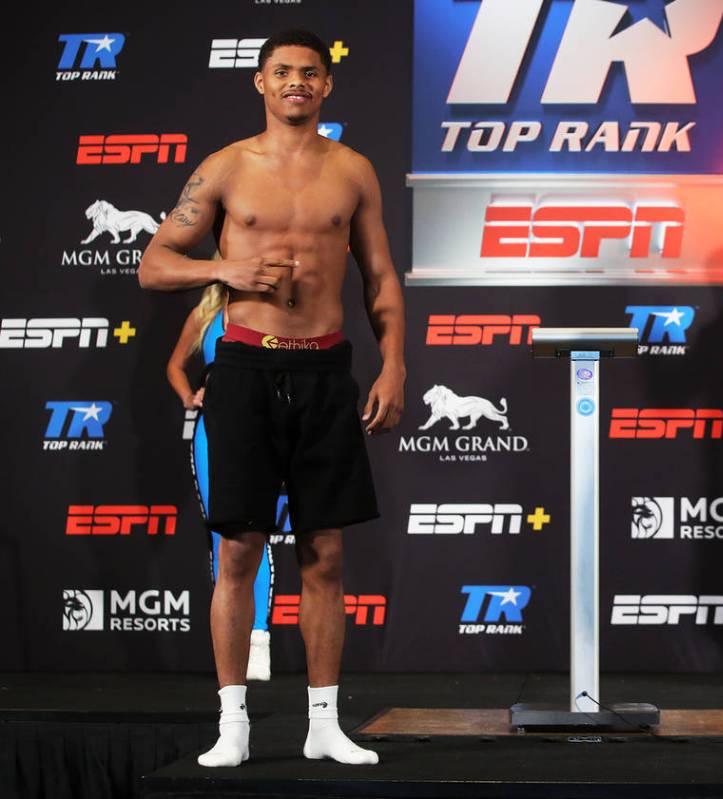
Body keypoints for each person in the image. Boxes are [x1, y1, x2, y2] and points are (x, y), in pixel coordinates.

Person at [139, 29, 406, 768]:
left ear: (327, 86)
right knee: (237, 554)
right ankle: (234, 724)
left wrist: (395, 365)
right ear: (259, 82)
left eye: (310, 73)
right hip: (245, 372)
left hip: (326, 373)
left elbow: (380, 277)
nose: (297, 83)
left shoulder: (353, 172)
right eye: (282, 72)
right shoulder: (226, 168)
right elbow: (154, 263)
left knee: (325, 554)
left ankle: (324, 722)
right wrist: (225, 266)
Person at [167, 284, 281, 683]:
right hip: (212, 428)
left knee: (254, 534)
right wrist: (189, 396)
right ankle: (233, 647)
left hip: (263, 427)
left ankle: (259, 638)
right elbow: (175, 365)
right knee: (223, 537)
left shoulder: (272, 306)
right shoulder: (206, 313)